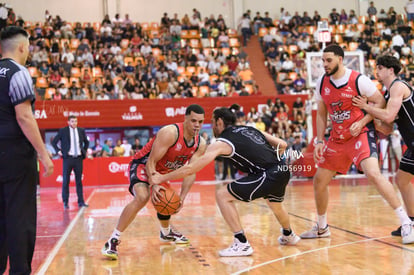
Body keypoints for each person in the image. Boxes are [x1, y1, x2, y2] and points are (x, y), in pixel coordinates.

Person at [300, 45, 414, 244]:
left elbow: (380, 104)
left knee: (373, 174)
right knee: (319, 180)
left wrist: (362, 121)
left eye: (328, 60)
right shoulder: (321, 83)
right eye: (322, 61)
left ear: (340, 59)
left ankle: (406, 223)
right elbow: (321, 113)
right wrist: (319, 140)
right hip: (337, 138)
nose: (324, 64)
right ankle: (322, 227)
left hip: (361, 133)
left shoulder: (360, 80)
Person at [150, 107, 300, 257]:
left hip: (267, 174)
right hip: (282, 170)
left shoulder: (222, 142)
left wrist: (161, 178)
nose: (212, 126)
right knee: (276, 205)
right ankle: (289, 234)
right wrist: (271, 162)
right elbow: (282, 144)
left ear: (219, 122)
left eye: (212, 122)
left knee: (223, 195)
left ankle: (241, 243)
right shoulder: (249, 129)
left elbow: (191, 168)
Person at [101, 104, 207, 260]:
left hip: (162, 172)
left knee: (167, 200)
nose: (197, 125)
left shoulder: (200, 144)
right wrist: (155, 183)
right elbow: (151, 161)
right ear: (185, 118)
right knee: (143, 197)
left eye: (200, 121)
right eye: (193, 121)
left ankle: (166, 233)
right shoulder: (170, 133)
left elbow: (191, 172)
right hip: (143, 165)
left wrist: (182, 198)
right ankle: (113, 240)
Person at [0, 26, 54, 275]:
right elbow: (24, 116)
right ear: (22, 47)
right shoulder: (18, 72)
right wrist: (43, 153)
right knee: (19, 216)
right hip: (15, 156)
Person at [352, 55, 414, 237]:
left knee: (402, 179)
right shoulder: (387, 93)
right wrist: (364, 121)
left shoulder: (398, 87)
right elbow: (387, 128)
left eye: (379, 68)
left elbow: (387, 115)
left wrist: (367, 107)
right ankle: (410, 222)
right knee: (401, 180)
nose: (376, 71)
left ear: (390, 70)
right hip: (411, 144)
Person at [52, 115, 89, 209]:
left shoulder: (81, 130)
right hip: (68, 158)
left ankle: (81, 201)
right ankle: (65, 202)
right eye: (72, 121)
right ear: (68, 122)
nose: (74, 123)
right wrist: (58, 151)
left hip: (78, 158)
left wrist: (84, 151)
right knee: (66, 181)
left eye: (76, 121)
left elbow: (86, 142)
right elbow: (54, 142)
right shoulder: (63, 131)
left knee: (79, 181)